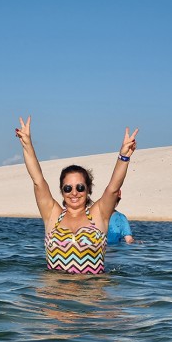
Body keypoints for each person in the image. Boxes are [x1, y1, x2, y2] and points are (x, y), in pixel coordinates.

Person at [15, 116, 138, 274]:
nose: (74, 192)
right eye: (68, 188)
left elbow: (113, 188)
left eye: (80, 187)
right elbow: (38, 180)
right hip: (54, 295)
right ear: (61, 190)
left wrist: (124, 156)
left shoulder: (99, 214)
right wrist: (27, 144)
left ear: (88, 189)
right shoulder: (52, 214)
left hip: (91, 296)